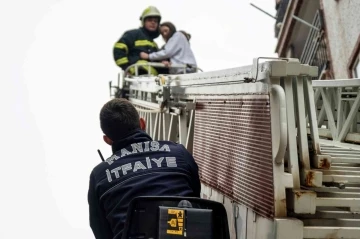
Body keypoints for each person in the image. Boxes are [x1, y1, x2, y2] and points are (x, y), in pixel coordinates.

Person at [88, 98, 201, 239]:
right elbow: (197, 201)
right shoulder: (179, 153)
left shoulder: (99, 175)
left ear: (107, 139)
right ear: (142, 123)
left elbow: (102, 232)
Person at [112, 6, 168, 76]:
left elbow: (154, 60)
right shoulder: (133, 34)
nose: (153, 23)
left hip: (153, 80)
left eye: (156, 21)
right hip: (138, 76)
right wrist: (126, 67)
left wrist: (162, 62)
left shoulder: (154, 45)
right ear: (143, 21)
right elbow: (118, 49)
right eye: (150, 20)